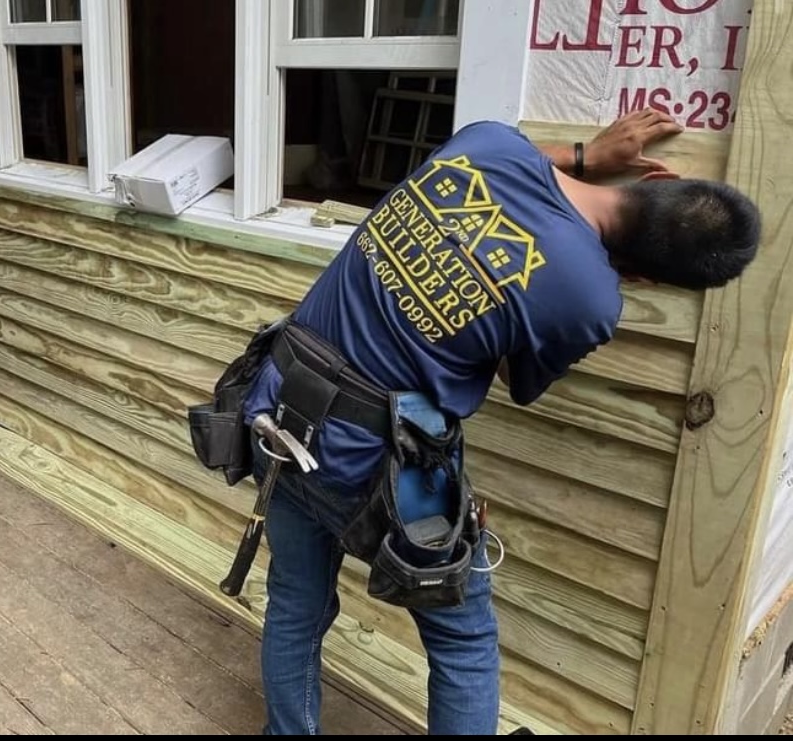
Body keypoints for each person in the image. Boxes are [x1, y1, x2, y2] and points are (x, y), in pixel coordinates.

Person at [238, 109, 761, 735]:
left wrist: (585, 154)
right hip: (376, 463)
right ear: (646, 275)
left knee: (296, 602)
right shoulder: (591, 298)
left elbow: (524, 164)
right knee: (463, 643)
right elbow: (515, 374)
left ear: (655, 176)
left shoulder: (486, 144)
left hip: (280, 408)